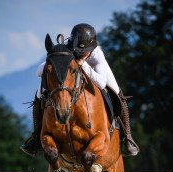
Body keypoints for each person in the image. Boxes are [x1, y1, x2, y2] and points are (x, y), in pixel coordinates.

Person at [20, 23, 139, 157]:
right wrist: (53, 60)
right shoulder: (67, 46)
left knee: (116, 90)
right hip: (70, 69)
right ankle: (36, 136)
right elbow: (39, 72)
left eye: (85, 51)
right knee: (39, 93)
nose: (82, 53)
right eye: (79, 50)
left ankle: (127, 137)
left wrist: (83, 65)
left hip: (95, 72)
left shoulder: (96, 55)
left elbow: (101, 83)